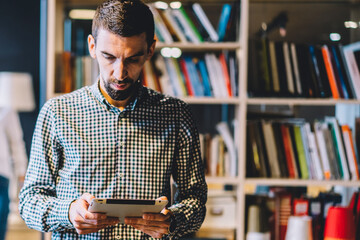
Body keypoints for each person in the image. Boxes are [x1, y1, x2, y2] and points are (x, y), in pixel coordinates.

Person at [19, 0, 207, 239]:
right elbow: (29, 200)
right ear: (92, 46)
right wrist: (68, 212)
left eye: (132, 59)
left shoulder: (177, 115)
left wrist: (173, 220)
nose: (119, 73)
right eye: (109, 57)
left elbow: (196, 198)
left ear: (150, 50)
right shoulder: (57, 113)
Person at [0, 107, 27, 240]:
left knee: (1, 221)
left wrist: (22, 173)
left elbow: (16, 144)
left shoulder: (6, 111)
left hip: (1, 175)